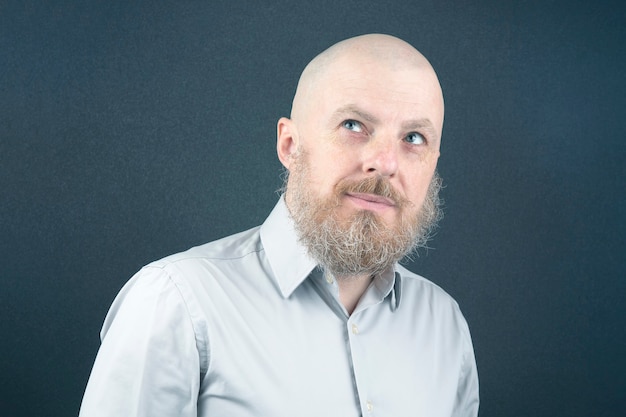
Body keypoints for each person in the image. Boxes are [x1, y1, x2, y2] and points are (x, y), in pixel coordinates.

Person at [79, 33, 479, 416]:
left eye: (413, 137)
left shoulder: (445, 325)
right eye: (354, 126)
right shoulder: (176, 304)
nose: (386, 162)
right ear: (290, 145)